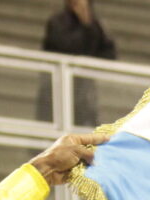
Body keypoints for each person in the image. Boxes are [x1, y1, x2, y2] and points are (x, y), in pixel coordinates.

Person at [37, 0, 117, 128]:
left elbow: (108, 55)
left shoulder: (96, 25)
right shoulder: (57, 22)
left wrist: (88, 25)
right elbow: (65, 46)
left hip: (84, 91)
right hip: (57, 88)